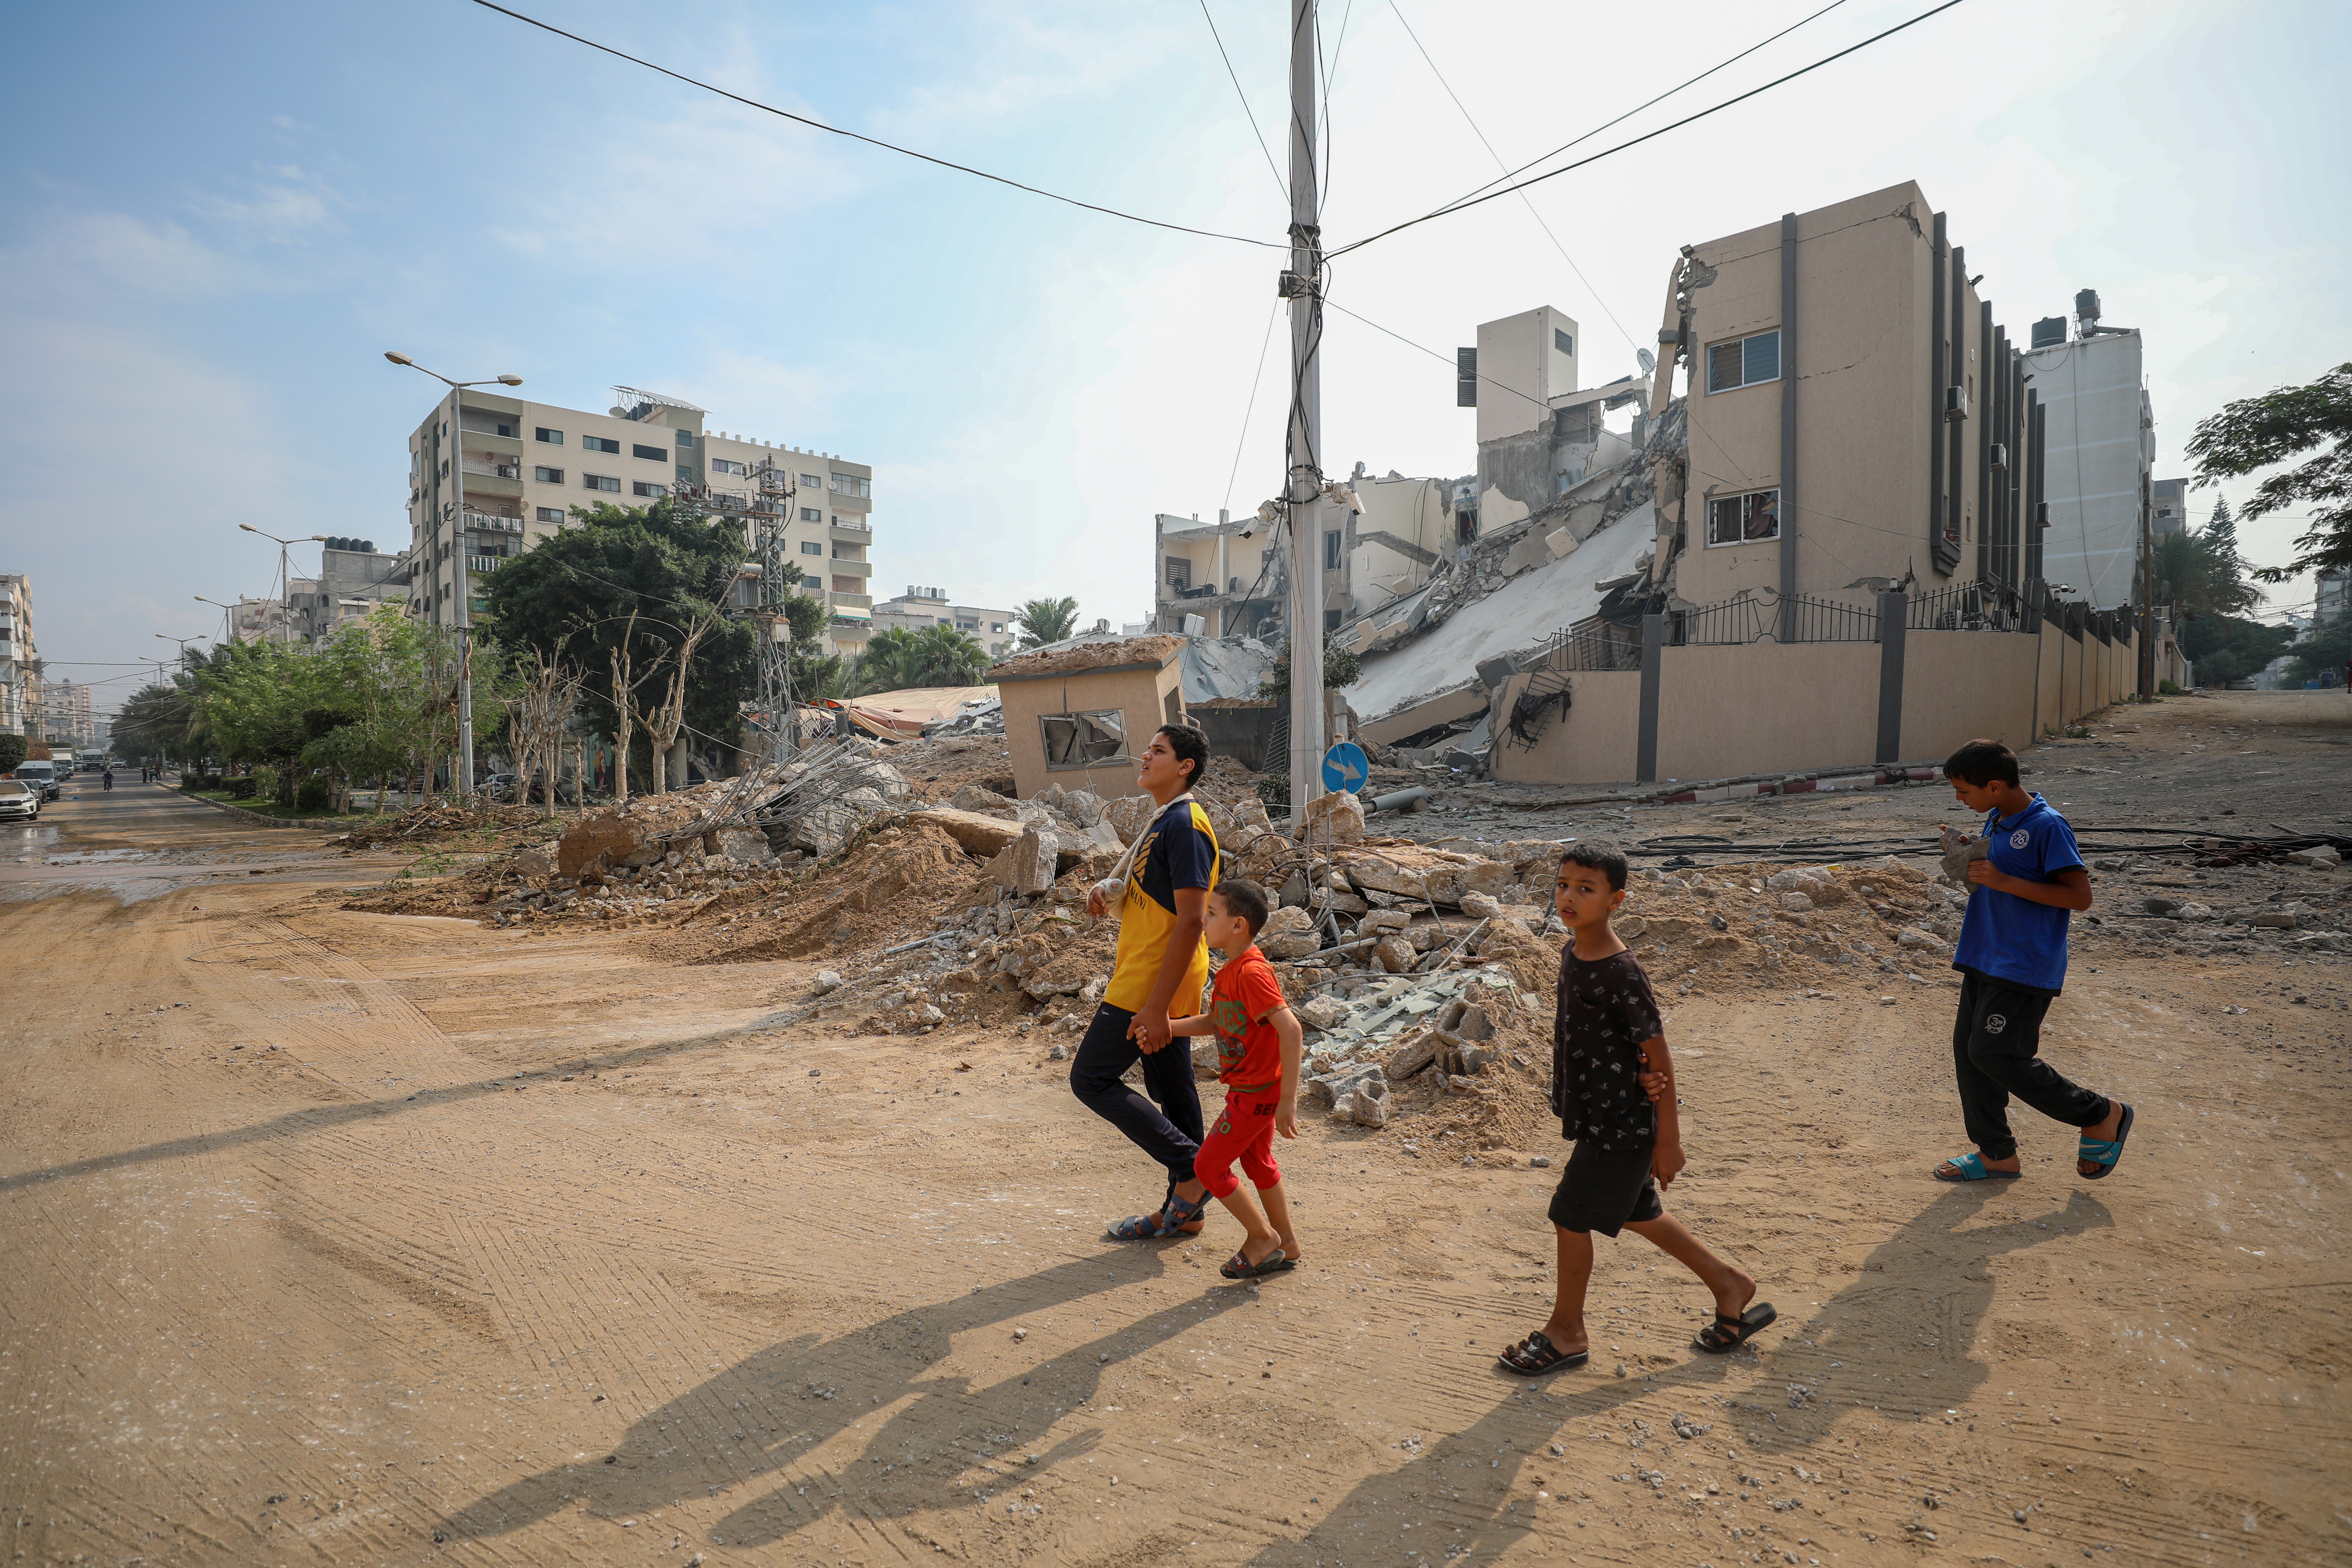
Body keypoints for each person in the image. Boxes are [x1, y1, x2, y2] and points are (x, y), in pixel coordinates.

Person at [1498, 840, 1773, 1375]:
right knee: (1636, 1211)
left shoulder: (1621, 971)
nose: (1568, 897)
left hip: (1620, 1124)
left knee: (1569, 1215)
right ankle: (1729, 1284)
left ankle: (1566, 1332)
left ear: (1616, 900)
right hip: (1599, 1116)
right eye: (1562, 885)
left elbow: (1658, 1056)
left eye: (1585, 889)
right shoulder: (1573, 952)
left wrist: (1668, 1141)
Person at [1933, 739, 2134, 1183]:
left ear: (1994, 785)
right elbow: (2005, 870)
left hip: (2023, 962)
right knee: (1969, 1055)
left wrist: (2002, 880)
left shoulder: (2047, 825)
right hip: (1983, 952)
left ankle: (2100, 1113)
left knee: (1995, 1053)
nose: (1959, 799)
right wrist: (1968, 853)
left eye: (1963, 791)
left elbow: (2079, 897)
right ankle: (1996, 1154)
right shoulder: (1997, 817)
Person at [1072, 723, 1221, 1240]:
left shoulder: (1185, 825)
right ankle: (1187, 1209)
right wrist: (1108, 890)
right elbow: (1156, 899)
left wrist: (1156, 1007)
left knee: (1090, 1079)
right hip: (1153, 971)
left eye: (1158, 751)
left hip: (1153, 978)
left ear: (1184, 766)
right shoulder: (1163, 820)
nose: (1145, 755)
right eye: (1147, 748)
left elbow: (1192, 920)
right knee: (1174, 1092)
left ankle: (1194, 1170)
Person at [1165, 879, 1304, 1280]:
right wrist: (1167, 1027)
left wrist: (1288, 1099)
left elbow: (1291, 1029)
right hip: (1253, 1089)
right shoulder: (1230, 971)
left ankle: (1262, 1237)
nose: (1203, 920)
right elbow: (1218, 1021)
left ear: (1238, 925)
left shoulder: (1251, 972)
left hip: (1256, 1093)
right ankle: (1286, 1241)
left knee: (1208, 1167)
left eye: (1212, 914)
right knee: (1258, 1162)